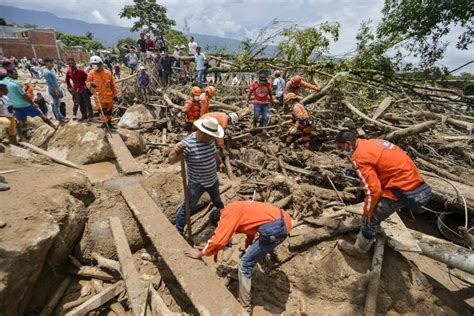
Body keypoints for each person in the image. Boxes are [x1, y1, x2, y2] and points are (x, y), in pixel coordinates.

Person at [335, 130, 432, 256]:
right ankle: (366, 235)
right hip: (412, 179)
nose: (340, 151)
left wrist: (367, 211)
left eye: (340, 148)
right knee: (373, 209)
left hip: (401, 187)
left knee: (372, 217)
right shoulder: (372, 142)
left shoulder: (359, 157)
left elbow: (373, 190)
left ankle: (359, 250)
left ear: (348, 144)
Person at [184, 201, 292, 312]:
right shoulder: (236, 208)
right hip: (284, 222)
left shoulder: (227, 215)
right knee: (251, 255)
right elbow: (251, 229)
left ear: (219, 221)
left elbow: (218, 241)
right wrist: (248, 246)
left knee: (245, 264)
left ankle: (245, 308)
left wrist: (200, 253)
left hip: (276, 228)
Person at [168, 116, 225, 234]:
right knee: (187, 207)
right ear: (203, 132)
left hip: (212, 180)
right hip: (196, 184)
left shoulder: (210, 140)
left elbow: (215, 152)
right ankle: (178, 229)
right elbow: (171, 160)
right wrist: (176, 150)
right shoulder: (187, 144)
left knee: (218, 201)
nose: (213, 137)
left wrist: (220, 162)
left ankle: (223, 220)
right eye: (211, 135)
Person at [0, 68, 56, 133]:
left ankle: (24, 135)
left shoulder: (1, 82)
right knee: (41, 115)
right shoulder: (15, 84)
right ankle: (54, 126)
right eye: (15, 74)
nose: (17, 75)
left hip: (14, 106)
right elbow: (25, 96)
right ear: (9, 74)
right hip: (24, 105)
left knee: (22, 120)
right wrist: (33, 103)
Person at [87, 56, 117, 129]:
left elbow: (112, 85)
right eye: (92, 64)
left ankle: (109, 124)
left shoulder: (108, 73)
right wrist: (91, 84)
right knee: (102, 111)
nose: (94, 66)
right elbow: (87, 82)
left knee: (109, 111)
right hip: (99, 96)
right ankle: (104, 124)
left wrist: (115, 95)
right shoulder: (91, 73)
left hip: (108, 96)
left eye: (96, 64)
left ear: (100, 64)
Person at [43, 58, 67, 124]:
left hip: (55, 89)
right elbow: (50, 83)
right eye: (51, 63)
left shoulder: (49, 70)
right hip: (54, 90)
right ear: (46, 63)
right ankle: (60, 118)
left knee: (57, 104)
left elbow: (53, 81)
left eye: (52, 63)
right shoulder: (47, 72)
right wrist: (56, 91)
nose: (52, 64)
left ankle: (60, 116)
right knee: (56, 105)